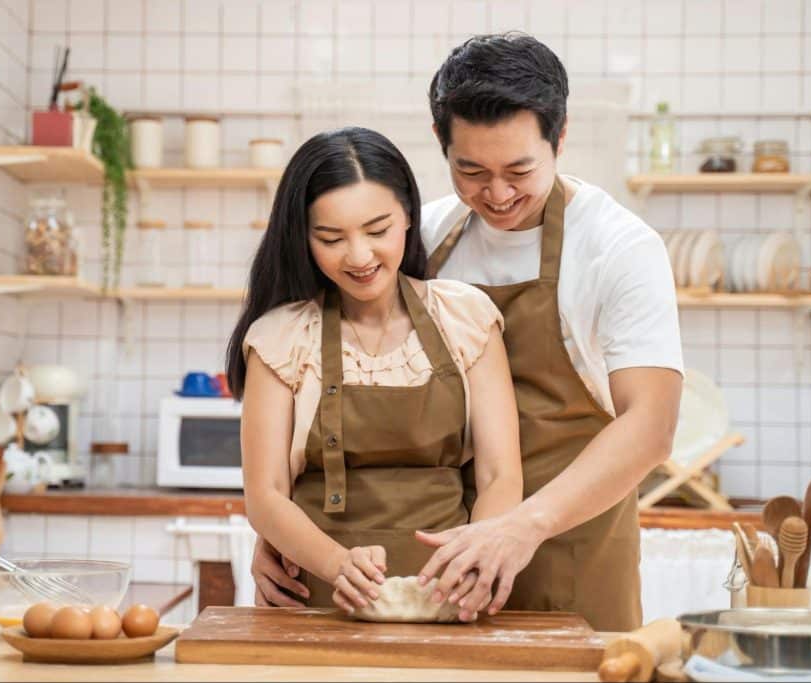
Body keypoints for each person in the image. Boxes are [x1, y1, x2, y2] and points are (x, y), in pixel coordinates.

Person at [251, 34, 683, 631]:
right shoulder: (423, 233)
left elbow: (651, 428)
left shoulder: (618, 248)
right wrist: (290, 535)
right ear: (441, 144)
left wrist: (519, 526)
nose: (498, 194)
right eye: (471, 170)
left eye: (520, 169)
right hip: (442, 562)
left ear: (559, 138)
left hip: (572, 543)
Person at [226, 126, 523, 614]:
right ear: (303, 237)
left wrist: (472, 559)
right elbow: (266, 494)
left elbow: (499, 474)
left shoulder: (466, 318)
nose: (360, 256)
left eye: (377, 230)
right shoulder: (280, 338)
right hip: (316, 600)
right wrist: (338, 565)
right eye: (331, 238)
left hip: (449, 596)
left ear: (408, 214)